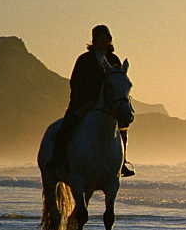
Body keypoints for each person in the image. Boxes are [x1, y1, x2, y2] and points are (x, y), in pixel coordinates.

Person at [47, 24, 134, 177]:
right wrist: (87, 101)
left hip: (108, 105)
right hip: (83, 102)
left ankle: (122, 163)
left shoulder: (114, 59)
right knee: (67, 125)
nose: (104, 42)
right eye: (101, 39)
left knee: (122, 130)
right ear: (94, 40)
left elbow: (117, 82)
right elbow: (75, 83)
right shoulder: (84, 60)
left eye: (106, 39)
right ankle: (57, 158)